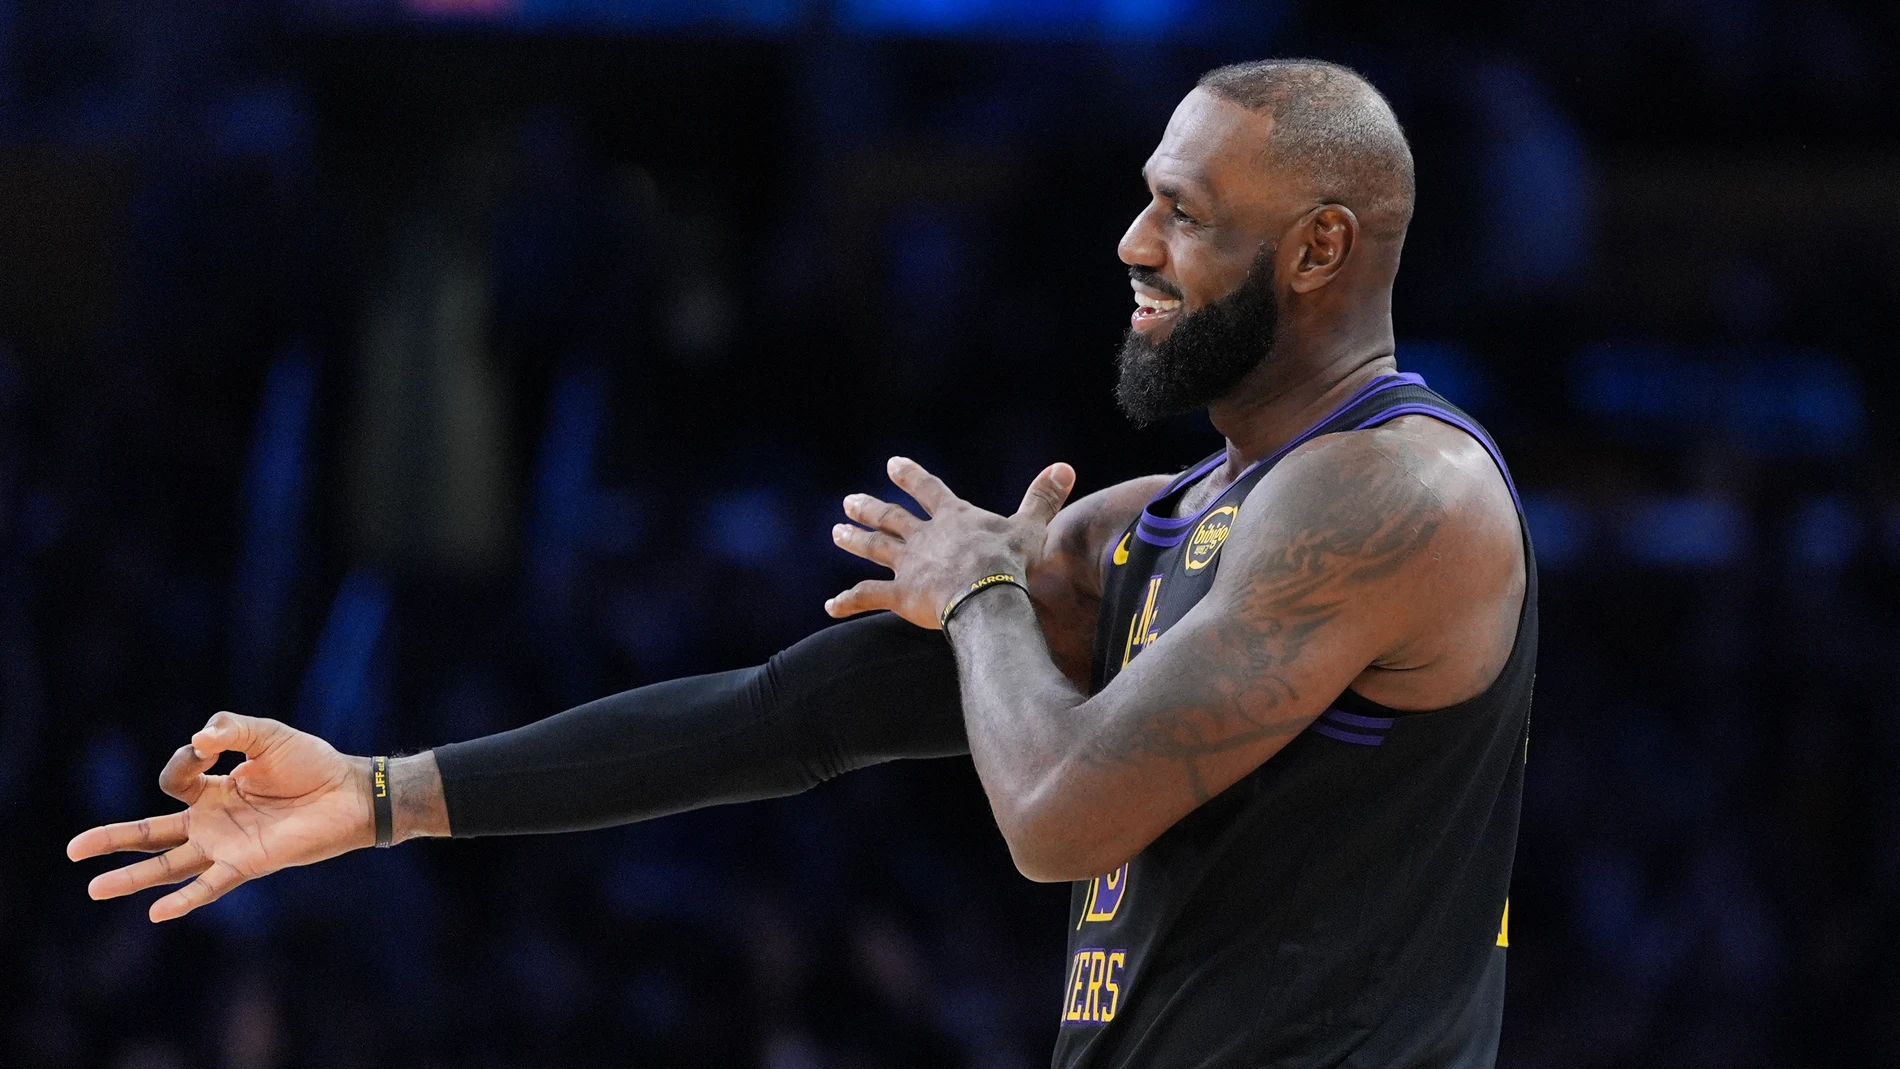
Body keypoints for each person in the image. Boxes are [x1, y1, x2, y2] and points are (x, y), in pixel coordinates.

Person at [70, 59, 1534, 1068]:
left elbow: (1058, 816)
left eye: (1185, 212)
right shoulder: (1166, 519)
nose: (1131, 242)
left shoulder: (1403, 492)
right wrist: (378, 796)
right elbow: (790, 716)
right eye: (1148, 196)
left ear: (1320, 249)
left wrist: (983, 591)